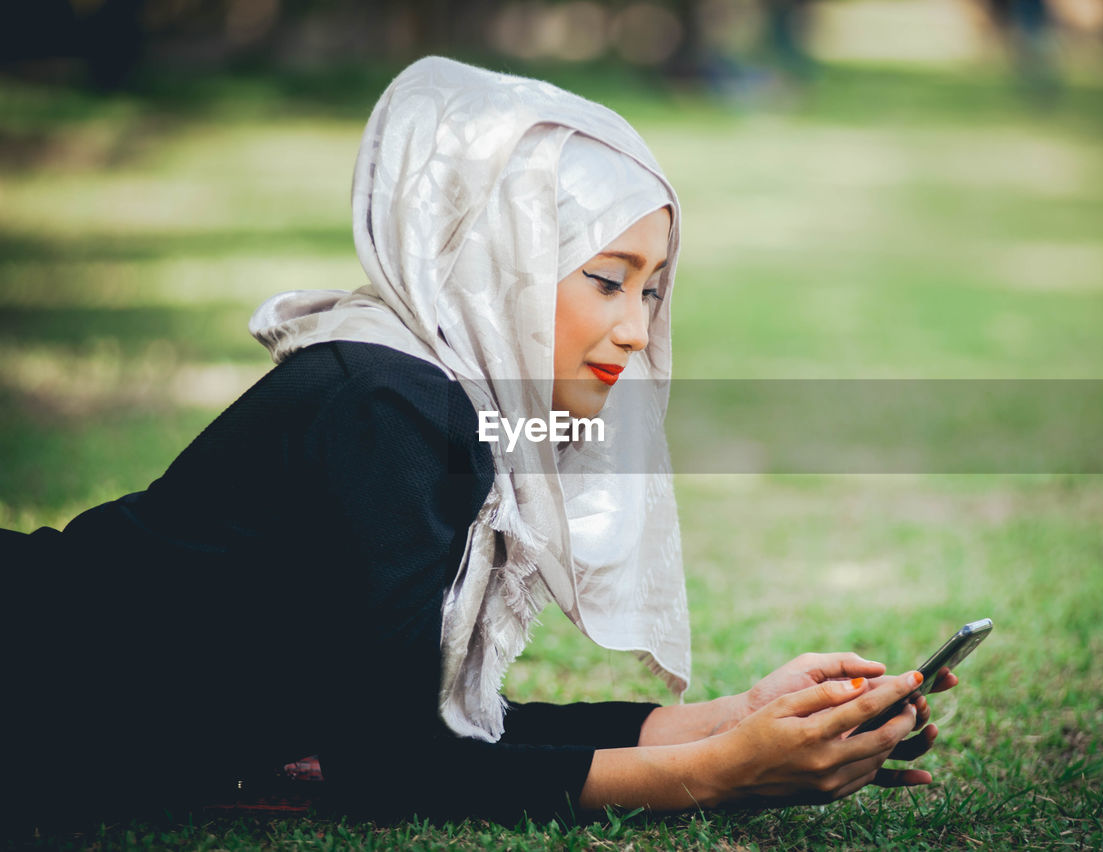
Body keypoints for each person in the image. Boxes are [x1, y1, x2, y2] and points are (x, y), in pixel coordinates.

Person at [0, 57, 956, 831]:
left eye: (653, 289)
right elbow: (397, 772)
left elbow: (426, 727)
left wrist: (738, 722)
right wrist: (718, 775)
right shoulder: (390, 404)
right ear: (498, 257)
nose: (637, 328)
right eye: (607, 279)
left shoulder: (446, 401)